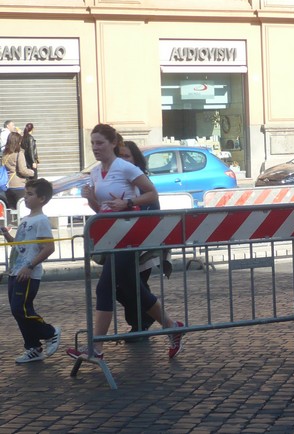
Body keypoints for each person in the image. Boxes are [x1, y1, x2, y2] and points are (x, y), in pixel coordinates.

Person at [66, 123, 184, 360]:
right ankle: (173, 327)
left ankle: (96, 348)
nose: (95, 148)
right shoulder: (96, 172)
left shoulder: (125, 167)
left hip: (130, 235)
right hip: (111, 236)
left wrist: (128, 203)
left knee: (104, 287)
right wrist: (91, 201)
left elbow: (152, 194)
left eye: (100, 143)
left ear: (113, 144)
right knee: (132, 287)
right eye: (92, 143)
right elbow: (103, 208)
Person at [1, 178, 61, 363]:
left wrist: (30, 266)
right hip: (16, 271)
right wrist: (7, 235)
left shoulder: (41, 220)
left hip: (27, 273)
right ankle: (33, 347)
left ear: (41, 198)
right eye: (26, 194)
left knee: (21, 309)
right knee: (17, 310)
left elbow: (48, 248)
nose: (25, 198)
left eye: (30, 194)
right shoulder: (26, 219)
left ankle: (50, 332)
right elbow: (20, 247)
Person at [117, 140, 160, 338]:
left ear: (136, 160)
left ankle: (141, 324)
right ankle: (143, 321)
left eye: (127, 156)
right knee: (122, 287)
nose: (123, 160)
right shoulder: (118, 182)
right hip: (120, 244)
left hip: (142, 244)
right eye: (120, 156)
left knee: (134, 285)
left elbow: (152, 209)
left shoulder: (142, 182)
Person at [3, 131, 34, 210]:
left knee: (12, 211)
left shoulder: (5, 153)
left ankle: (12, 222)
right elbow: (22, 170)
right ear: (18, 141)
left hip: (7, 185)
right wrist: (32, 172)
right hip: (18, 185)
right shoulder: (19, 153)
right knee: (21, 210)